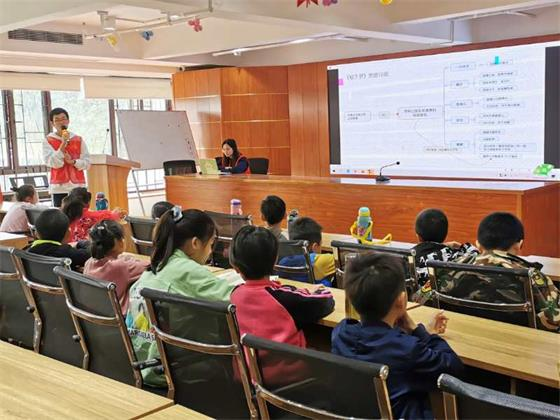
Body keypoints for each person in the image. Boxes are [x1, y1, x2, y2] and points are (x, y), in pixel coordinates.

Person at [332, 253, 463, 420]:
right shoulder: (407, 349)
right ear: (401, 300)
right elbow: (454, 368)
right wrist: (417, 331)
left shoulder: (341, 333)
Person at [126, 207, 237, 387]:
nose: (210, 251)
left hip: (143, 364)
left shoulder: (157, 266)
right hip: (178, 369)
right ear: (195, 243)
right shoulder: (186, 271)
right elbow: (236, 300)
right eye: (211, 244)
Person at [230, 225, 334, 382]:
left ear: (236, 267)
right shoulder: (284, 299)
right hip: (290, 379)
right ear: (275, 261)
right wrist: (313, 291)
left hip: (248, 379)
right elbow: (326, 301)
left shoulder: (235, 295)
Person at [452, 212, 559, 332]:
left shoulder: (452, 266)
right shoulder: (531, 275)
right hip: (520, 341)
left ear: (478, 244)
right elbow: (554, 321)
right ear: (519, 245)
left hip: (463, 337)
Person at [412, 208, 478, 302]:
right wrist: (458, 245)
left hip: (418, 304)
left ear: (418, 236)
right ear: (445, 234)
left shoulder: (409, 256)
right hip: (447, 305)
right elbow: (475, 253)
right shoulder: (452, 254)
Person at [84, 220, 149, 314]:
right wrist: (130, 260)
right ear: (120, 242)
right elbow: (150, 265)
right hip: (121, 317)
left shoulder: (89, 263)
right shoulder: (121, 267)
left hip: (98, 316)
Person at [43, 108, 90, 207]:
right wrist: (63, 144)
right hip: (59, 188)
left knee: (81, 214)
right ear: (52, 123)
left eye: (63, 119)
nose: (61, 122)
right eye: (57, 120)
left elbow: (87, 163)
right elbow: (52, 163)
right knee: (60, 215)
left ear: (68, 121)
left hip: (78, 186)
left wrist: (73, 162)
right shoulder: (48, 140)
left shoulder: (78, 139)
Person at [26, 208, 90, 270]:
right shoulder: (65, 252)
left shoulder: (28, 250)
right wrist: (80, 243)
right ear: (67, 233)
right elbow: (89, 253)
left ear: (36, 233)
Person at [279, 217, 336, 286]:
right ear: (315, 247)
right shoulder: (320, 261)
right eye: (321, 244)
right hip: (315, 292)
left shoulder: (283, 261)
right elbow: (343, 260)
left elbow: (275, 278)